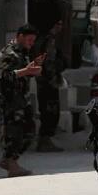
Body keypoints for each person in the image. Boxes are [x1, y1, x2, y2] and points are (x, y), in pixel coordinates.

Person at [0, 24, 43, 177]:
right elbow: (5, 76)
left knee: (29, 130)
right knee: (14, 132)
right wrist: (26, 71)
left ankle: (9, 160)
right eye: (29, 40)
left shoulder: (22, 53)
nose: (31, 43)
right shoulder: (8, 53)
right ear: (20, 36)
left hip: (21, 99)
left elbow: (21, 74)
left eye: (33, 41)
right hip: (10, 100)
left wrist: (32, 71)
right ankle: (11, 164)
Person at [32, 19, 66, 152]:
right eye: (58, 24)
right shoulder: (49, 40)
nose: (60, 27)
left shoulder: (41, 39)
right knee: (50, 112)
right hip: (47, 81)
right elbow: (49, 62)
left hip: (42, 80)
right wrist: (53, 77)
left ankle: (44, 139)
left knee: (46, 110)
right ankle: (44, 141)